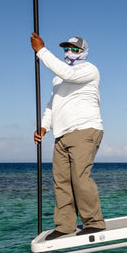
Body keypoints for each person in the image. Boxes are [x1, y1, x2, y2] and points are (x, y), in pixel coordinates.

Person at [31, 32, 105, 239]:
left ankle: (94, 222)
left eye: (74, 49)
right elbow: (51, 105)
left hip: (85, 130)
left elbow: (68, 74)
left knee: (79, 178)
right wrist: (44, 127)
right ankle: (65, 225)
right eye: (66, 48)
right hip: (61, 134)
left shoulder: (89, 70)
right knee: (61, 180)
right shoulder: (58, 78)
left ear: (84, 52)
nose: (69, 52)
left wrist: (41, 51)